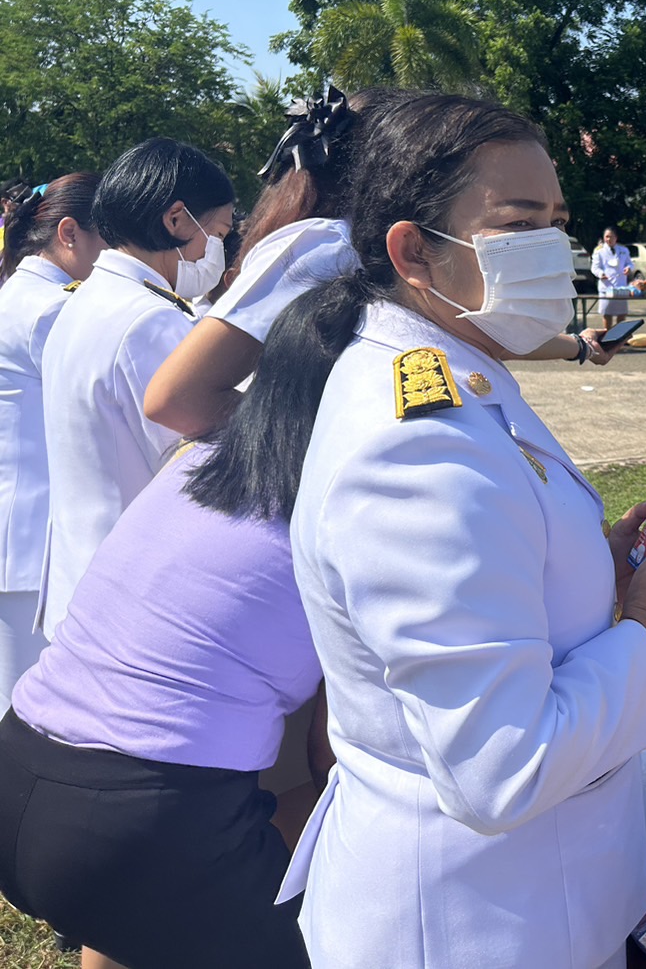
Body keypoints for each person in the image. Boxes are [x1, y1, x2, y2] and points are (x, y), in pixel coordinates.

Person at [269, 94, 646, 969]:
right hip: (473, 923)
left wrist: (600, 565)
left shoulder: (458, 369)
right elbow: (502, 764)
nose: (553, 249)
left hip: (536, 900)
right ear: (413, 249)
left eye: (558, 222)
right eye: (518, 222)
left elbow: (496, 573)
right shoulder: (413, 449)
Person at [0, 297, 342, 966]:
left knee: (139, 900)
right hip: (139, 828)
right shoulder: (344, 500)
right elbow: (339, 755)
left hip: (20, 775)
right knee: (367, 825)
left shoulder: (203, 456)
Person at [146, 87, 618, 441]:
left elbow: (486, 330)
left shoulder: (381, 249)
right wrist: (324, 440)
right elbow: (177, 397)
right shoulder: (328, 247)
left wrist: (576, 346)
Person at [38, 139, 234, 639]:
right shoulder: (151, 321)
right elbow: (200, 472)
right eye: (215, 231)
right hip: (131, 601)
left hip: (83, 582)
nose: (215, 247)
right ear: (176, 220)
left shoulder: (87, 299)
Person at [0, 175, 104, 713]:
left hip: (22, 540)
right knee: (21, 712)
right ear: (69, 233)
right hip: (28, 547)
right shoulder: (48, 308)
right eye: (107, 238)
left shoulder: (23, 293)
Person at [592, 226, 634, 331]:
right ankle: (608, 337)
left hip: (621, 286)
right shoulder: (599, 251)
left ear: (616, 237)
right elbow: (594, 267)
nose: (608, 239)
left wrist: (629, 268)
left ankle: (620, 337)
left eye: (611, 237)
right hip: (606, 286)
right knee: (607, 314)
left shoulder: (624, 250)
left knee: (622, 314)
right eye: (606, 237)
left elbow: (630, 263)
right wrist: (601, 274)